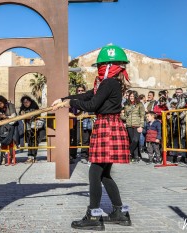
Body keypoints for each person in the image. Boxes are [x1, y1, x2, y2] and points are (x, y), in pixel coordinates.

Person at [52, 44, 131, 231]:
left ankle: (94, 216)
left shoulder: (108, 83)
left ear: (108, 66)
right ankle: (120, 213)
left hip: (107, 127)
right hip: (111, 126)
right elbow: (88, 95)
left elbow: (92, 104)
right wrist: (63, 100)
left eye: (100, 66)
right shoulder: (111, 83)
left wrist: (68, 103)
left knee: (95, 172)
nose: (98, 70)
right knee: (104, 174)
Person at [0, 95, 18, 165]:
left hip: (11, 125)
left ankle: (11, 157)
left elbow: (14, 116)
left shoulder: (10, 105)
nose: (0, 105)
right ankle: (3, 158)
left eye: (1, 103)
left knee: (11, 142)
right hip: (1, 127)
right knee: (2, 142)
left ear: (4, 102)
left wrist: (6, 117)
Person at [121, 90, 145, 162]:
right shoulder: (126, 105)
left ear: (136, 97)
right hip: (129, 125)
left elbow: (142, 116)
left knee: (136, 140)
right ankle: (136, 156)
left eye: (133, 96)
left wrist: (141, 126)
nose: (131, 97)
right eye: (130, 96)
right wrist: (121, 115)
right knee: (132, 141)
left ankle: (128, 152)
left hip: (137, 124)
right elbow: (125, 116)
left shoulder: (140, 104)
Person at [19, 95, 41, 163]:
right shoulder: (23, 107)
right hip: (27, 126)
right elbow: (20, 113)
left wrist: (31, 116)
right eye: (24, 102)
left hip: (35, 126)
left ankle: (34, 156)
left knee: (35, 141)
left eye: (27, 102)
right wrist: (21, 113)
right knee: (29, 141)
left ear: (30, 101)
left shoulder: (34, 105)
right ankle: (29, 156)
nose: (26, 103)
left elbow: (38, 113)